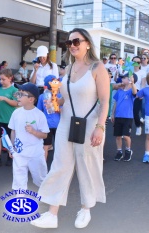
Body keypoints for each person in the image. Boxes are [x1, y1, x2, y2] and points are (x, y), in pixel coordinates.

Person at [31, 28, 110, 229]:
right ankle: (52, 213)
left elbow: (105, 100)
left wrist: (100, 127)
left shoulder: (97, 67)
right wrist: (55, 102)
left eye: (76, 41)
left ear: (87, 43)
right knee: (60, 165)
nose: (72, 45)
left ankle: (85, 208)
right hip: (67, 122)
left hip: (90, 124)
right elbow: (67, 97)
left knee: (87, 166)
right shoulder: (69, 67)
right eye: (69, 43)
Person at [8, 83, 49, 191]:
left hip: (35, 153)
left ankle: (46, 195)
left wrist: (34, 132)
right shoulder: (16, 113)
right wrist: (12, 148)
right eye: (18, 93)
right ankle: (20, 198)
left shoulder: (39, 115)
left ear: (31, 99)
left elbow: (44, 135)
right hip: (19, 152)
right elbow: (13, 131)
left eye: (21, 94)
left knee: (40, 178)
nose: (18, 96)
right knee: (18, 178)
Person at [0, 69, 18, 168]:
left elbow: (16, 103)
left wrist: (5, 99)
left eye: (3, 79)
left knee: (9, 138)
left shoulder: (14, 90)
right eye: (0, 79)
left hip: (9, 119)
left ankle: (10, 156)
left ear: (10, 78)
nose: (1, 82)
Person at [111, 73, 137, 162]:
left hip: (128, 117)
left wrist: (133, 83)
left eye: (124, 78)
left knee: (126, 136)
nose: (122, 79)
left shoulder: (132, 91)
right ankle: (119, 152)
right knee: (118, 136)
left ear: (130, 79)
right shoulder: (120, 90)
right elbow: (116, 102)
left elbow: (135, 93)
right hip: (118, 116)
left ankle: (128, 150)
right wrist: (112, 113)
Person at [36, 75, 60, 161]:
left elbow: (39, 111)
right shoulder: (59, 96)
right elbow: (63, 110)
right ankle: (59, 164)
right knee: (59, 145)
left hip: (46, 124)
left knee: (45, 146)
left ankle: (43, 165)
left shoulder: (42, 96)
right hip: (59, 124)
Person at [131, 56, 147, 136]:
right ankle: (128, 128)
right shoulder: (128, 71)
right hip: (128, 92)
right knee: (128, 111)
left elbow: (143, 84)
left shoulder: (142, 72)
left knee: (135, 111)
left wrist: (141, 94)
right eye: (134, 61)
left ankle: (138, 126)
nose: (136, 63)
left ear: (140, 63)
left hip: (138, 93)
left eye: (138, 62)